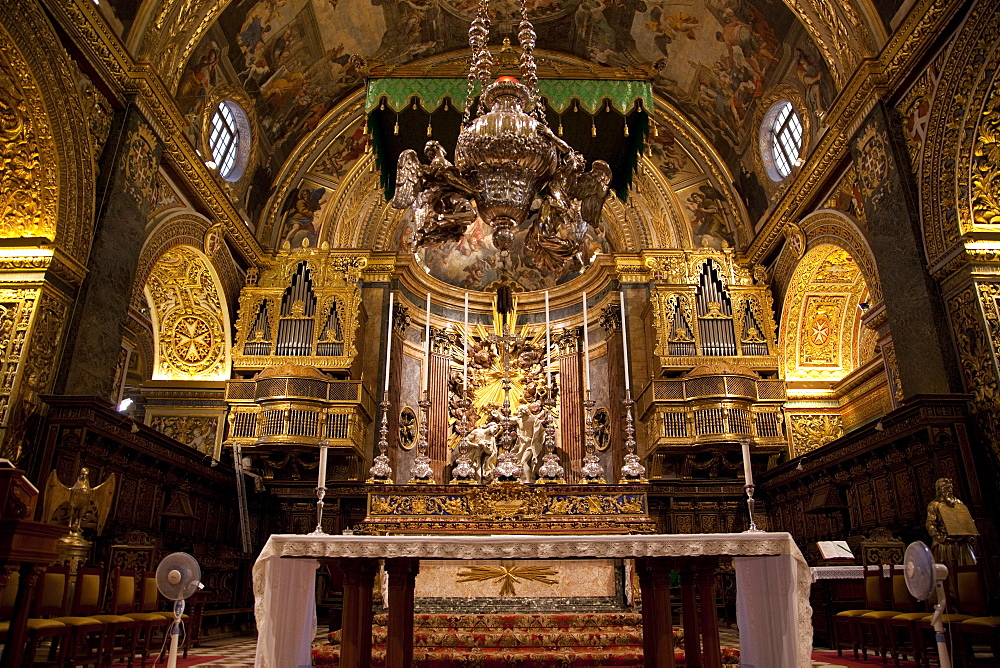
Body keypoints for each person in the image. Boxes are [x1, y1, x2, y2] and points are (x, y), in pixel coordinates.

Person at [926, 477, 978, 606]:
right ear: (939, 490)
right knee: (948, 574)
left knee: (969, 569)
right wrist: (939, 537)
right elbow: (930, 524)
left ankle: (971, 599)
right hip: (946, 544)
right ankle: (951, 601)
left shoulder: (959, 503)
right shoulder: (935, 505)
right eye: (945, 488)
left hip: (962, 543)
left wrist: (970, 533)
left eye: (950, 488)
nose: (948, 491)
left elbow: (968, 521)